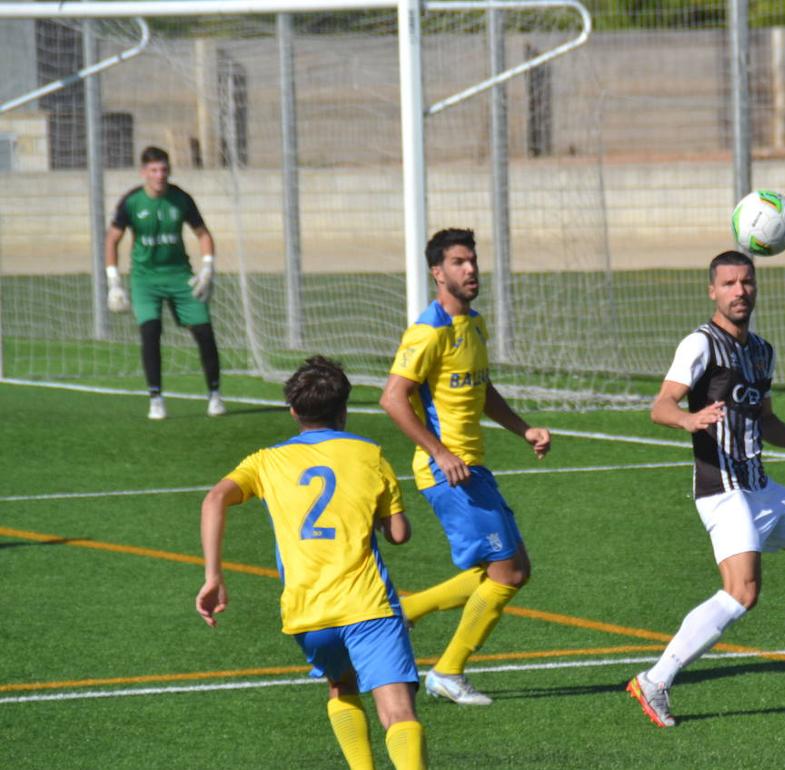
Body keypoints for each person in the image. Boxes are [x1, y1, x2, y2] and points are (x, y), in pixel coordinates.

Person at [626, 250, 785, 728]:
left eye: (746, 282)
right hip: (721, 488)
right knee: (743, 593)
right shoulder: (700, 344)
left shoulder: (762, 350)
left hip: (759, 486)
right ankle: (654, 680)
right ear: (712, 291)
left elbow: (764, 420)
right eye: (728, 283)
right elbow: (660, 405)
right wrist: (689, 418)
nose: (739, 291)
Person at [196, 356, 428, 769]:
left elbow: (214, 498)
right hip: (367, 604)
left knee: (341, 684)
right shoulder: (369, 454)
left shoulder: (265, 461)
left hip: (307, 612)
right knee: (398, 712)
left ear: (293, 411)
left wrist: (214, 575)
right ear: (343, 409)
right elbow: (399, 534)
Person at [380, 228, 551, 707]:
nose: (470, 269)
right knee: (509, 572)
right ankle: (448, 672)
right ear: (438, 273)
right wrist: (440, 452)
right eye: (458, 262)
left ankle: (405, 611)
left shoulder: (473, 324)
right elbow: (392, 399)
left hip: (472, 467)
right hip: (447, 473)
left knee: (511, 568)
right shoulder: (428, 330)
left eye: (472, 260)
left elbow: (482, 389)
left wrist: (523, 430)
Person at [105, 145, 224, 420]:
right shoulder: (132, 201)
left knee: (204, 333)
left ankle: (215, 395)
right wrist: (114, 281)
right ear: (144, 172)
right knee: (150, 332)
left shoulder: (181, 199)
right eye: (154, 170)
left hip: (180, 276)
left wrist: (207, 268)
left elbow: (203, 234)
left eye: (164, 170)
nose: (160, 175)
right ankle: (156, 398)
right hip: (145, 279)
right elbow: (112, 238)